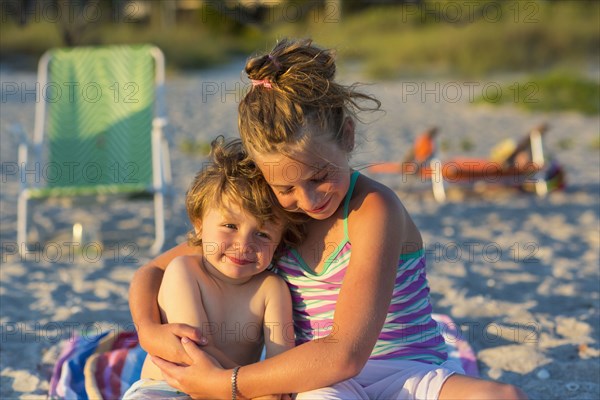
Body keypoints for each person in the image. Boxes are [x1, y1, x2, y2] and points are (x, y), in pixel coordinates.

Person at [130, 39, 527, 399]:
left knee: (503, 397)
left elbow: (346, 353)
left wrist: (226, 384)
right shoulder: (273, 218)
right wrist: (149, 332)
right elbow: (151, 272)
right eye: (285, 188)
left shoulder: (373, 209)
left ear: (348, 137)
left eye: (320, 176)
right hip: (320, 381)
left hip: (407, 371)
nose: (307, 199)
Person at [124, 138, 303, 399]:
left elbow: (281, 363)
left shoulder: (272, 289)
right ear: (199, 225)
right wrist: (262, 387)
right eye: (230, 226)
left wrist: (273, 388)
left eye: (263, 234)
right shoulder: (184, 271)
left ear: (279, 242)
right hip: (168, 388)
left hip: (237, 392)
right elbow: (194, 354)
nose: (243, 245)